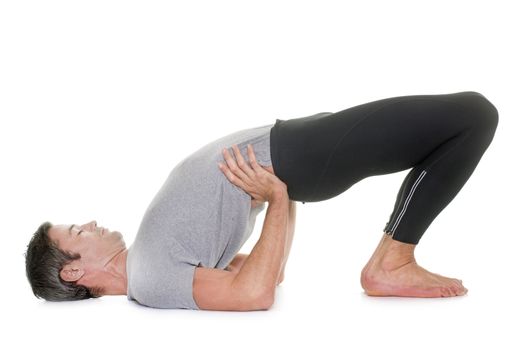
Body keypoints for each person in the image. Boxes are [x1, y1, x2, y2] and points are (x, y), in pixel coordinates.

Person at [25, 90, 498, 311]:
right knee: (474, 114)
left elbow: (269, 271)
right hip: (302, 153)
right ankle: (392, 263)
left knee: (464, 121)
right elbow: (255, 294)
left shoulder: (152, 262)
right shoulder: (150, 280)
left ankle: (393, 260)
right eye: (77, 233)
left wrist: (280, 195)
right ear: (73, 271)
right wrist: (276, 194)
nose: (89, 223)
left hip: (296, 154)